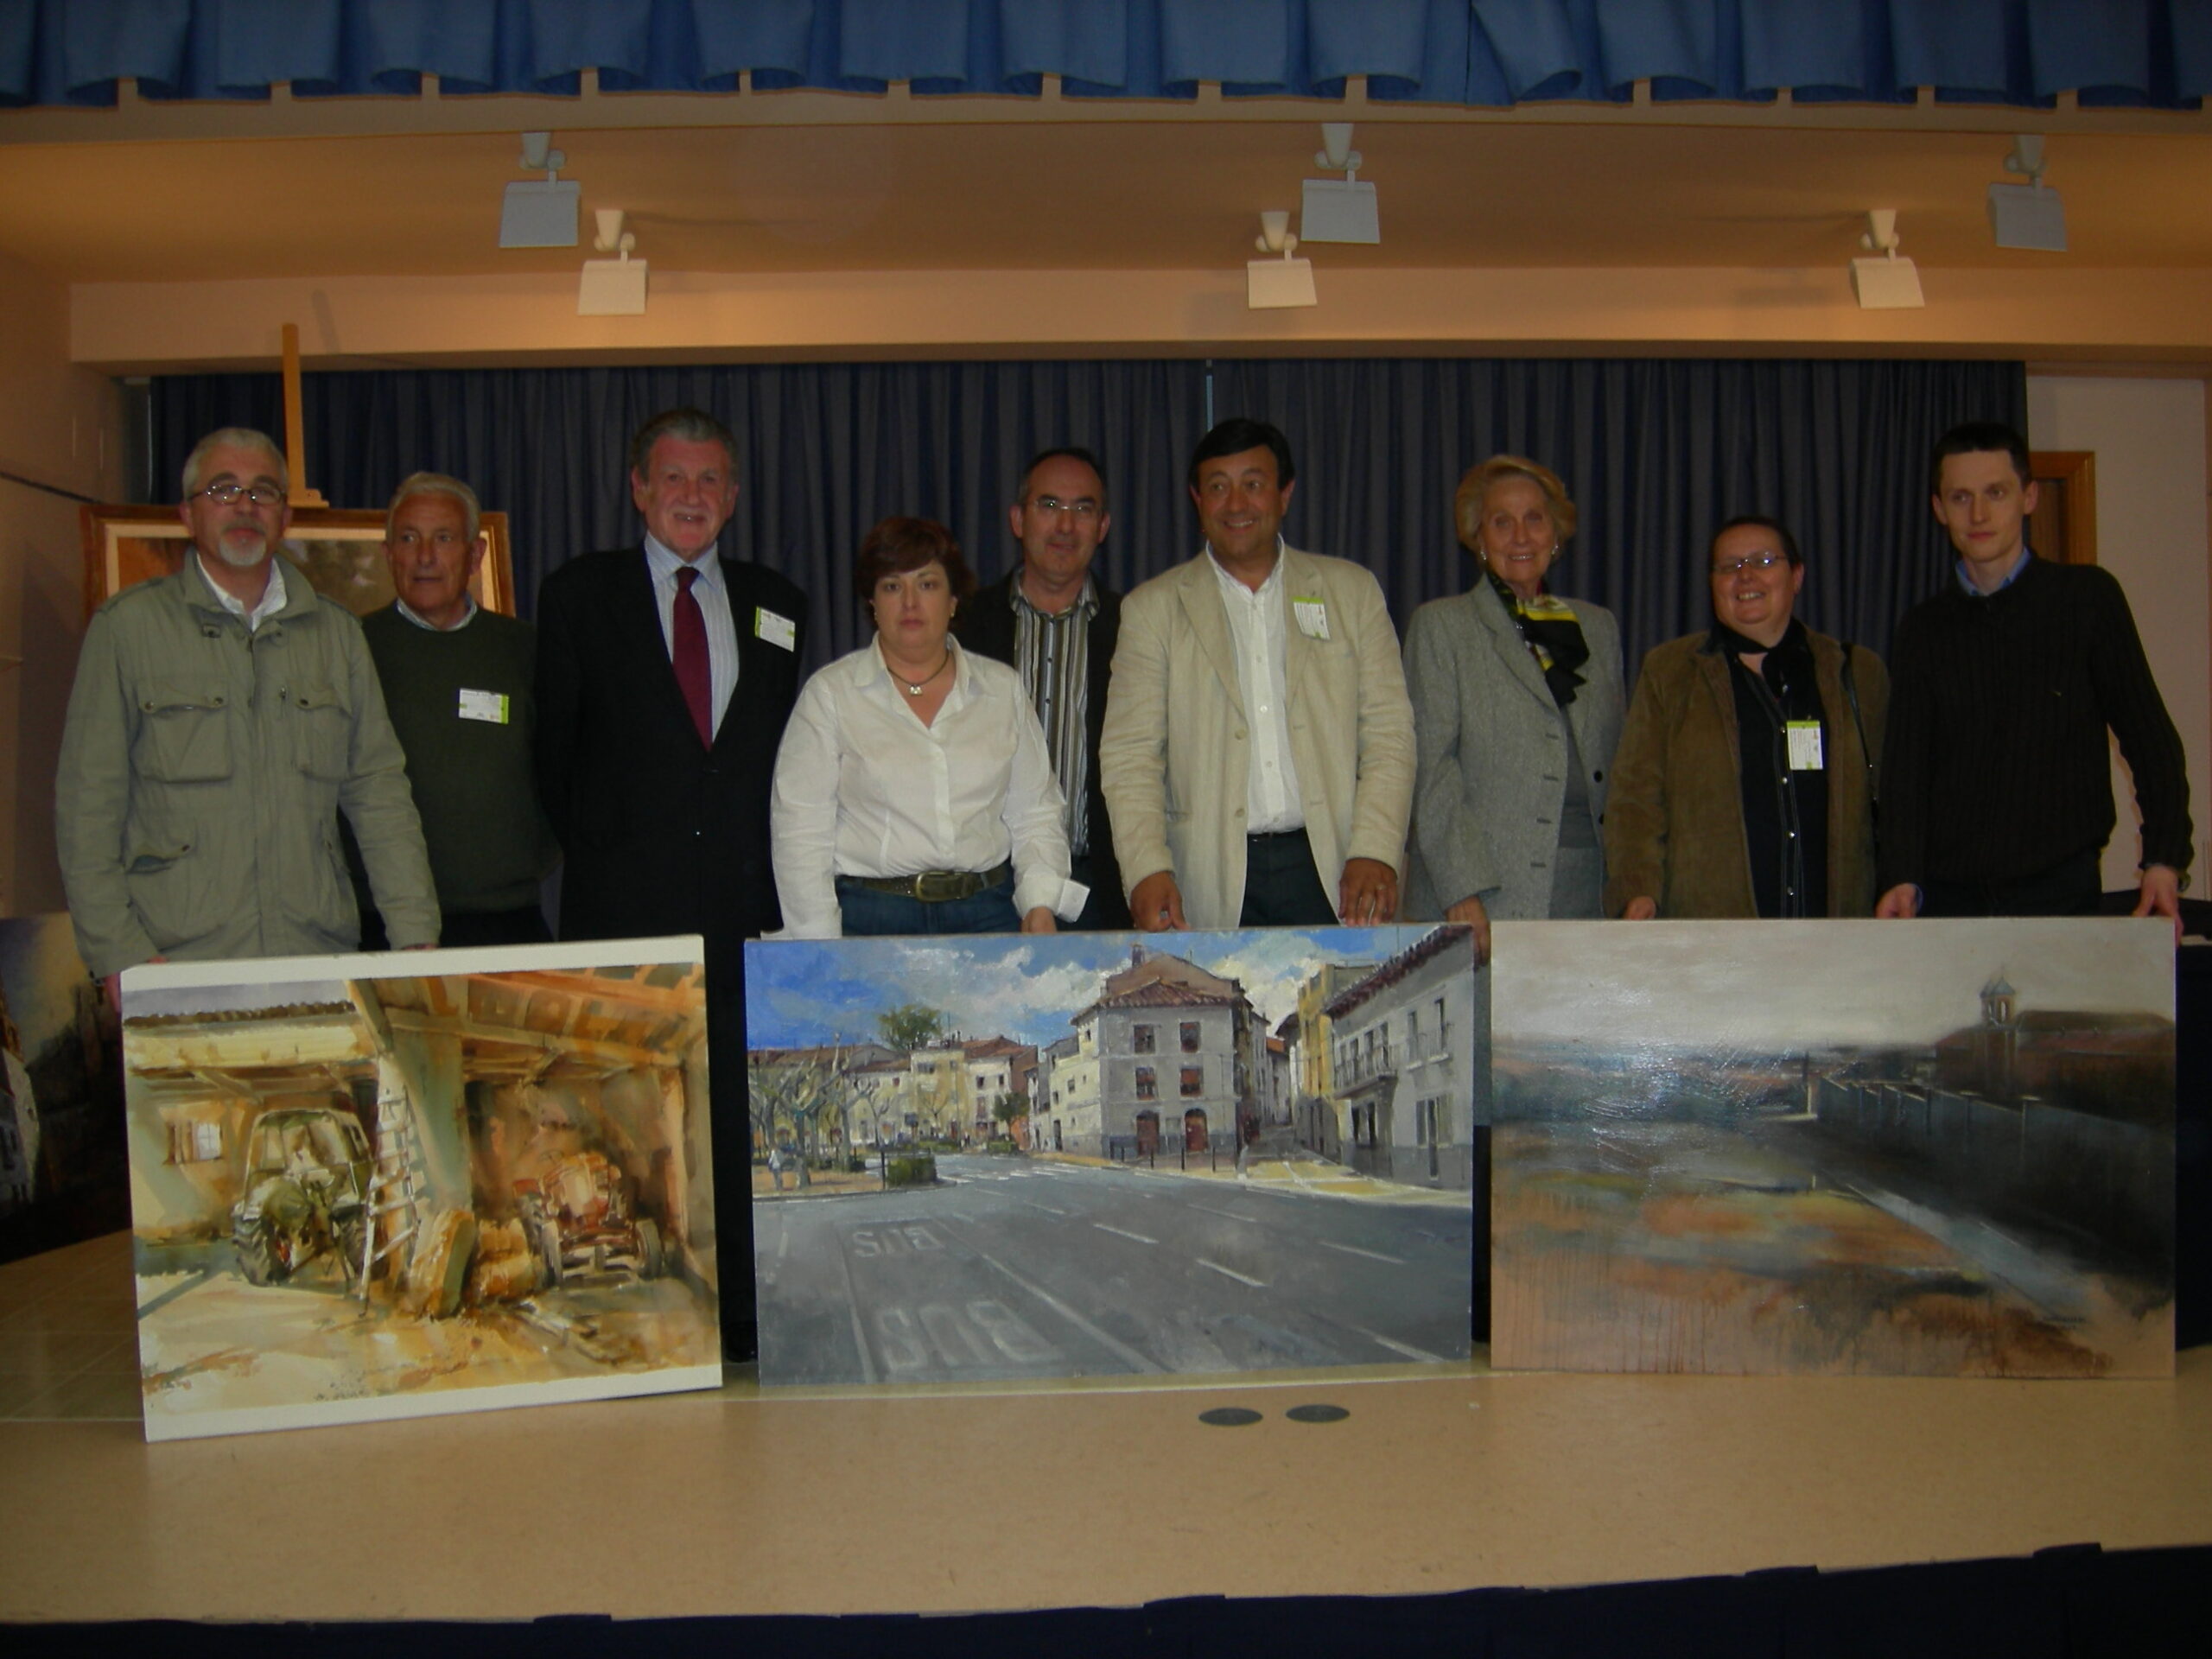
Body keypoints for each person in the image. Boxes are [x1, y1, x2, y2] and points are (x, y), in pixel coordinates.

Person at [54, 427, 437, 988]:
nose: (244, 506)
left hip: (314, 956)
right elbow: (87, 809)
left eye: (263, 492)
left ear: (285, 517)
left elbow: (379, 794)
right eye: (223, 489)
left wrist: (416, 936)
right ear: (188, 514)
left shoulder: (336, 636)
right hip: (174, 963)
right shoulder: (127, 630)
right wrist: (117, 952)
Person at [1098, 417, 1415, 932]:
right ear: (1197, 500)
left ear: (1284, 494)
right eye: (1218, 487)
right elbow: (1130, 755)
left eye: (1253, 484)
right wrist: (1146, 869)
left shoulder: (1352, 592)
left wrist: (1377, 849)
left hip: (1335, 867)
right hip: (1206, 877)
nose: (1236, 504)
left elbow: (1389, 734)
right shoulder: (1151, 609)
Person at [1876, 421, 2192, 931]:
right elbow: (1906, 772)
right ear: (1939, 509)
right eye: (1960, 497)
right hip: (1948, 901)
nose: (1978, 514)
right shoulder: (1923, 628)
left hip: (2060, 893)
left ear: (2029, 497)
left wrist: (2164, 859)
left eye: (1995, 493)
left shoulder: (2088, 600)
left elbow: (2150, 738)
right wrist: (1901, 876)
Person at [535, 407, 808, 948]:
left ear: (731, 498)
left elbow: (777, 750)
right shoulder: (578, 596)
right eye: (674, 477)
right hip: (619, 909)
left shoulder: (779, 602)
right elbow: (552, 757)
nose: (692, 496)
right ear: (640, 489)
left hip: (742, 910)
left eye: (709, 480)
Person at [770, 518, 1086, 938]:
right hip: (872, 919)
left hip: (988, 914)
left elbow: (1035, 812)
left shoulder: (1002, 689)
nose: (910, 603)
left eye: (927, 584)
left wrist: (1040, 901)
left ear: (953, 600)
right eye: (892, 586)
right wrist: (817, 944)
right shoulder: (830, 694)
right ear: (872, 602)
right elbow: (800, 831)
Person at [1604, 515, 1889, 920]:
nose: (1746, 576)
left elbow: (1894, 796)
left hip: (1837, 935)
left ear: (1797, 576)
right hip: (1713, 935)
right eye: (1729, 566)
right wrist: (1638, 890)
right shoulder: (1670, 673)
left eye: (1764, 561)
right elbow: (1636, 801)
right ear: (1712, 584)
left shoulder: (1857, 673)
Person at [1400, 455, 1624, 959]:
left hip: (1591, 895)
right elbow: (1430, 768)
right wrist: (1461, 890)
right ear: (1478, 537)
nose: (1521, 536)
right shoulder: (1442, 626)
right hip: (1485, 894)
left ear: (1556, 534)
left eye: (1534, 519)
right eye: (1502, 522)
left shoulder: (1598, 628)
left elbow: (1619, 766)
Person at [353, 472, 556, 948]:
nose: (425, 556)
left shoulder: (526, 650)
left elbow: (564, 773)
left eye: (443, 538)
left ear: (475, 555)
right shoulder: (351, 650)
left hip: (506, 919)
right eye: (409, 539)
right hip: (379, 923)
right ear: (388, 554)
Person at [951, 446, 1131, 930]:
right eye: (1049, 505)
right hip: (987, 887)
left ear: (1103, 526)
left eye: (1083, 509)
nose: (1065, 525)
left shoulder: (1134, 626)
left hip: (1101, 888)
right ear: (1018, 519)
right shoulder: (962, 625)